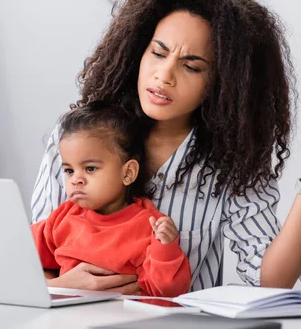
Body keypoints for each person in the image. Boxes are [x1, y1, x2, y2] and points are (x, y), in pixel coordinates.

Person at [31, 0, 301, 294]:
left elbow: (271, 281)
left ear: (222, 85)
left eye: (191, 66)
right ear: (137, 52)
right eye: (158, 53)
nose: (164, 76)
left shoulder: (234, 162)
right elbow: (32, 260)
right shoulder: (77, 138)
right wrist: (62, 287)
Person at [31, 101, 191, 297]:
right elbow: (20, 256)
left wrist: (166, 249)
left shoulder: (147, 225)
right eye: (69, 170)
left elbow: (166, 290)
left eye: (90, 168)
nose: (76, 180)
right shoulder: (62, 217)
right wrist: (54, 285)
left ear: (128, 173)